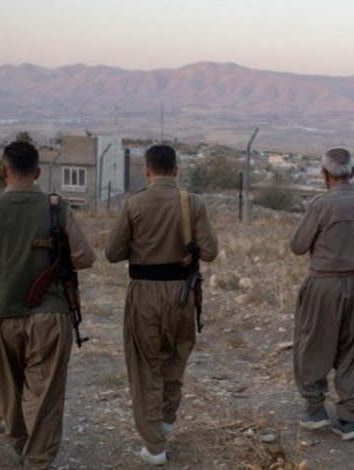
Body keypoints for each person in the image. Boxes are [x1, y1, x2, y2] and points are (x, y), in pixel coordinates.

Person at [0, 141, 96, 469]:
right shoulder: (57, 208)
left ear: (4, 171)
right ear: (38, 172)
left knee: (11, 392)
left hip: (2, 315)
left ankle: (22, 449)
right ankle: (38, 461)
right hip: (50, 317)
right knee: (44, 397)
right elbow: (85, 258)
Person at [105, 144, 218, 466]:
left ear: (147, 171)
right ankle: (166, 421)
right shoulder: (192, 203)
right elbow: (210, 251)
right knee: (175, 360)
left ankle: (155, 445)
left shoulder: (134, 204)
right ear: (176, 170)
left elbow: (112, 253)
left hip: (145, 294)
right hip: (182, 293)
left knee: (145, 367)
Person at [290, 147, 354, 441]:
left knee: (313, 344)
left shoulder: (321, 205)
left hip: (324, 284)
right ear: (352, 172)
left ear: (324, 174)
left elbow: (298, 246)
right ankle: (348, 420)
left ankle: (316, 411)